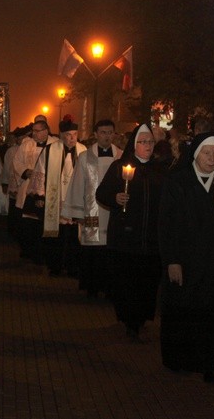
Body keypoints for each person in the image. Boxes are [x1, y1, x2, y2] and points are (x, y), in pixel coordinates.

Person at [158, 133, 214, 381]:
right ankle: (180, 360)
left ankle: (212, 363)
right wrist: (172, 260)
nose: (212, 159)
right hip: (185, 260)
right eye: (207, 153)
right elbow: (166, 224)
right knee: (183, 312)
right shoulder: (177, 181)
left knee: (213, 314)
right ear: (196, 154)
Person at [96, 123, 165, 340]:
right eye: (143, 142)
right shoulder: (119, 167)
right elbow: (102, 193)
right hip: (127, 238)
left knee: (147, 282)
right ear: (134, 145)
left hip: (151, 239)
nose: (148, 146)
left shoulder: (160, 169)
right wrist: (115, 197)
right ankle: (129, 321)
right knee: (128, 282)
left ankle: (142, 318)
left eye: (151, 142)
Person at [63, 119, 121, 297]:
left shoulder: (121, 156)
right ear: (96, 134)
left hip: (113, 212)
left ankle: (110, 287)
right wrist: (78, 212)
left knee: (111, 250)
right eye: (103, 132)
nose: (106, 136)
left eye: (110, 132)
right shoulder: (85, 157)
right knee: (93, 250)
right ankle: (92, 287)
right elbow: (78, 184)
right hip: (92, 211)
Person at [27, 116, 87, 276]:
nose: (72, 138)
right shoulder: (50, 150)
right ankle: (55, 266)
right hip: (56, 201)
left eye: (74, 134)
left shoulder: (84, 151)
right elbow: (40, 172)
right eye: (68, 135)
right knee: (56, 236)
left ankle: (73, 267)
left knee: (75, 236)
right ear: (61, 136)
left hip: (76, 201)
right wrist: (40, 196)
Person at [14, 119, 59, 263]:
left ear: (46, 131)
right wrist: (25, 171)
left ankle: (43, 252)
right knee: (28, 222)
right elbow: (17, 161)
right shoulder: (26, 144)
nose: (34, 133)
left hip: (48, 189)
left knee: (43, 222)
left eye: (37, 131)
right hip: (28, 186)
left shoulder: (56, 144)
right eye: (33, 130)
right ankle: (28, 250)